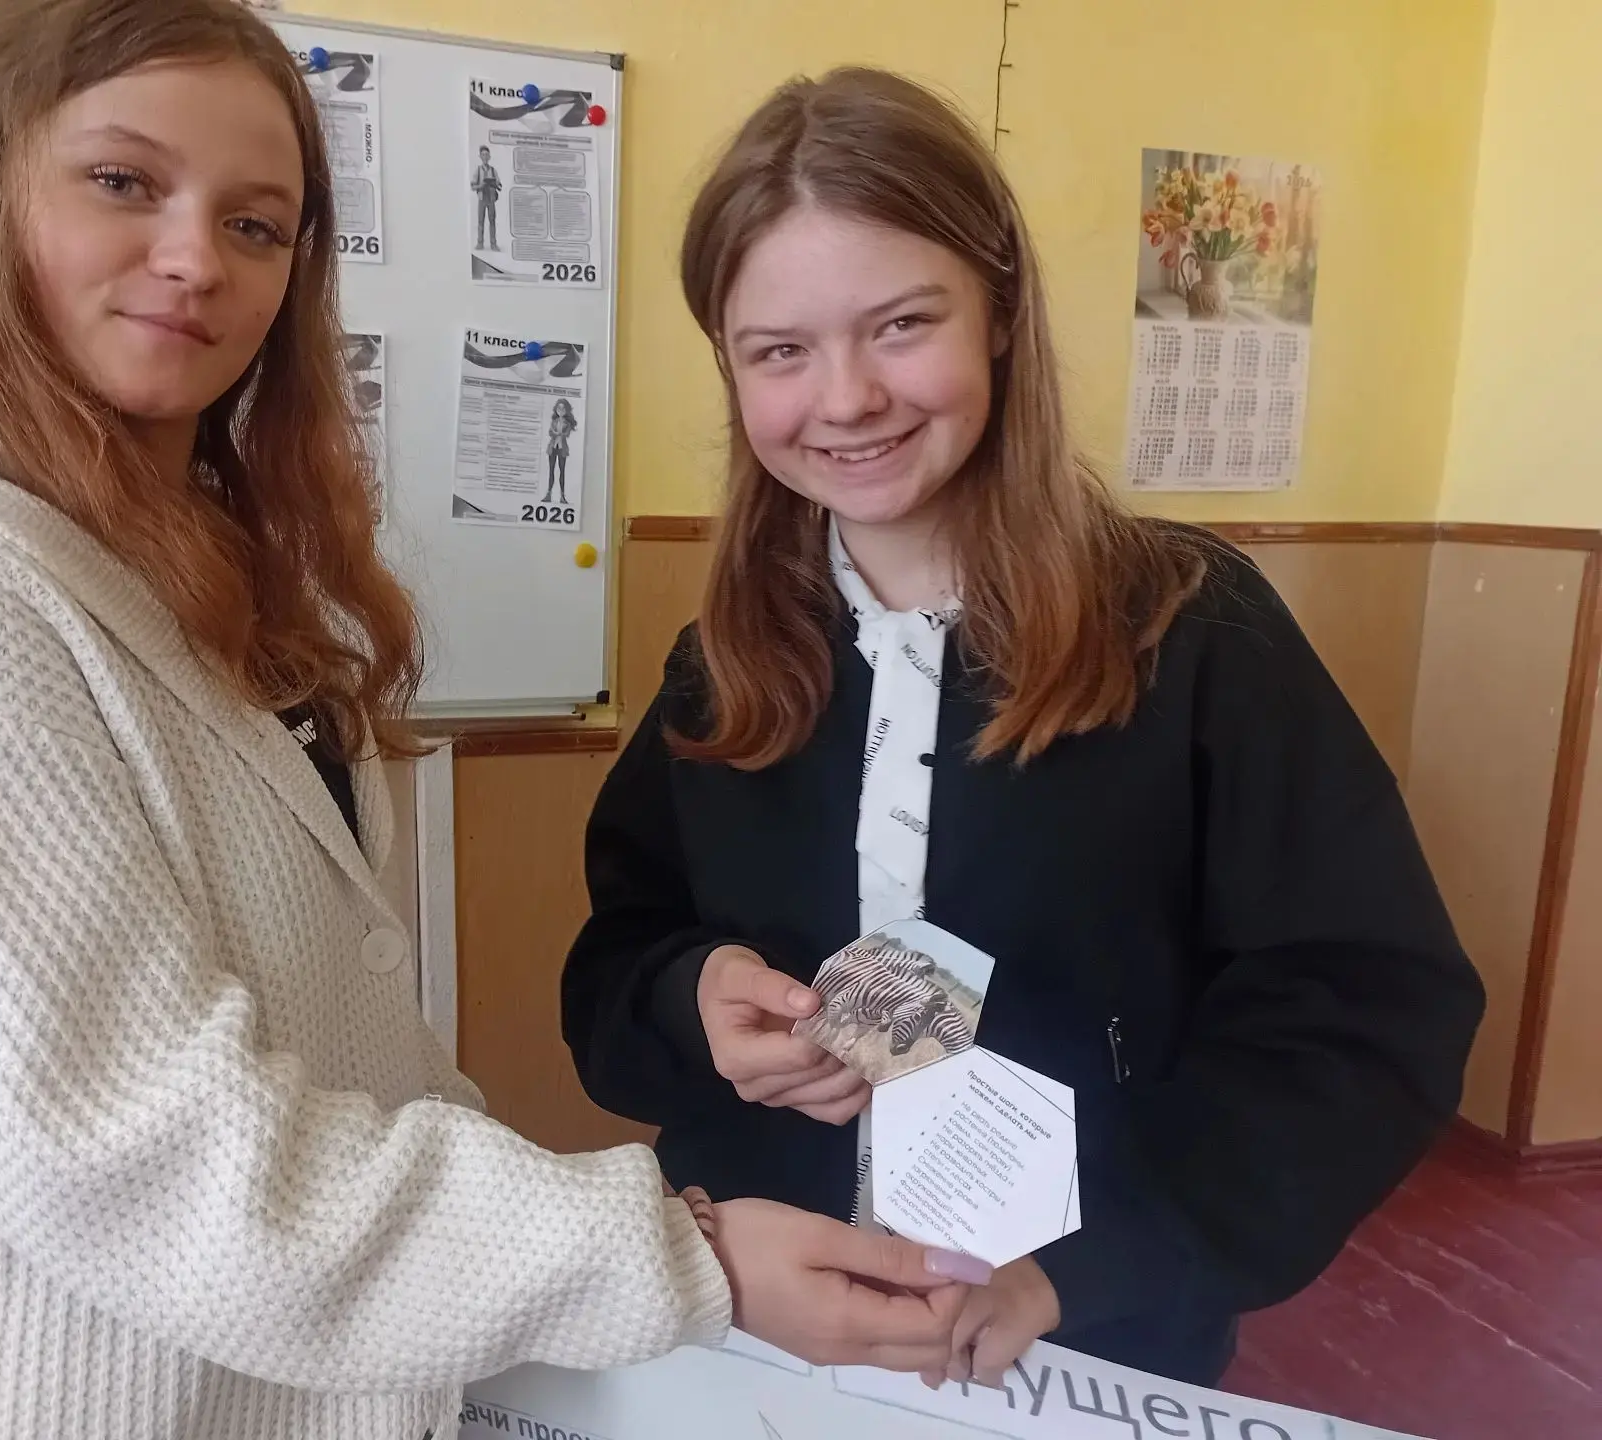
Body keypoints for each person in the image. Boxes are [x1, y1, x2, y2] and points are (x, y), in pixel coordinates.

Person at [0, 13, 983, 1438]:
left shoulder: (192, 565)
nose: (196, 260)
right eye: (123, 183)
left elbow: (337, 1053)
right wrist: (682, 1254)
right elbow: (157, 1167)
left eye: (256, 223)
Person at [560, 68, 1484, 1390]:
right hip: (761, 1332)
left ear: (998, 311)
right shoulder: (726, 664)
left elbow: (1364, 1010)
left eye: (900, 325)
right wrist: (687, 997)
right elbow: (618, 959)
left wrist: (1093, 1262)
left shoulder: (1188, 633)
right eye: (780, 351)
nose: (846, 398)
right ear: (731, 367)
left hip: (1078, 1348)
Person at [545, 397, 577, 505]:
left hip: (562, 448)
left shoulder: (567, 423)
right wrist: (556, 433)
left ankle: (562, 496)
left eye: (563, 409)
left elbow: (566, 434)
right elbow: (550, 432)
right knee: (551, 471)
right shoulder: (554, 421)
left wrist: (558, 434)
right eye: (559, 408)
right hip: (553, 448)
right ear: (556, 409)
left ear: (566, 410)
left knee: (562, 471)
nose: (561, 410)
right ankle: (548, 494)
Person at [472, 144, 501, 250]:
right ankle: (480, 243)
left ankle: (493, 244)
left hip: (491, 199)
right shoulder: (478, 170)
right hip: (481, 199)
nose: (485, 157)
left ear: (489, 157)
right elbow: (473, 186)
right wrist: (481, 185)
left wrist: (494, 184)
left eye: (486, 155)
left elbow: (499, 185)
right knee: (481, 221)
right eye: (483, 155)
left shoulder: (493, 170)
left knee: (492, 221)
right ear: (480, 156)